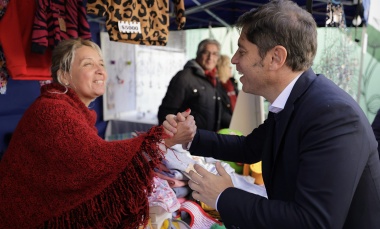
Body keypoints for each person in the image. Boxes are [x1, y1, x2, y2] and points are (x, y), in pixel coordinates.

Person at [163, 1, 380, 228]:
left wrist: (223, 196)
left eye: (242, 51)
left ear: (276, 58)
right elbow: (249, 148)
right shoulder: (298, 100)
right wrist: (190, 137)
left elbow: (313, 221)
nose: (234, 59)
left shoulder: (333, 116)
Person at [0, 38, 193, 228]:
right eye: (88, 64)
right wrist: (164, 138)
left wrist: (163, 137)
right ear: (64, 76)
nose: (101, 70)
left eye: (101, 63)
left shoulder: (69, 109)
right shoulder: (53, 110)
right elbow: (94, 160)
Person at [157, 39, 234, 131]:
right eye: (206, 53)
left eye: (214, 54)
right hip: (188, 141)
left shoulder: (214, 78)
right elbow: (166, 112)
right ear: (198, 54)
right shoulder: (184, 77)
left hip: (207, 139)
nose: (210, 58)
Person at [216, 54, 239, 121]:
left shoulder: (233, 83)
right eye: (228, 66)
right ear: (222, 68)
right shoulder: (217, 86)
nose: (231, 68)